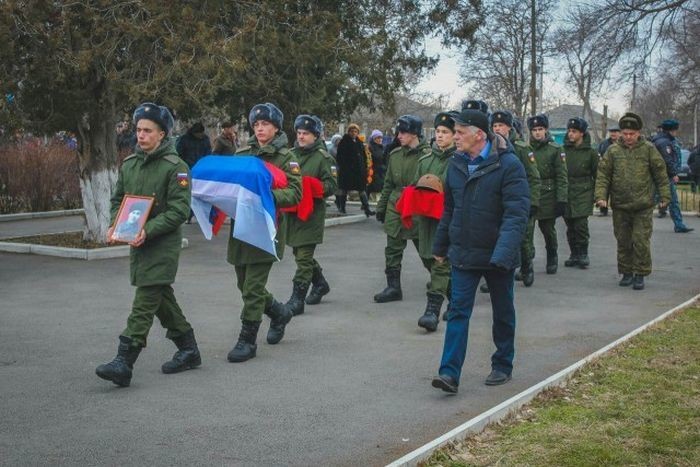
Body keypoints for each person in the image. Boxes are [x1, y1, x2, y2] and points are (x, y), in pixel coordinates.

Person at [96, 102, 200, 387]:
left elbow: (179, 211)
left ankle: (124, 361)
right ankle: (189, 350)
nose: (140, 136)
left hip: (161, 245)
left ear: (162, 134)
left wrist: (148, 229)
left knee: (144, 302)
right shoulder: (130, 164)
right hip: (137, 243)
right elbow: (119, 200)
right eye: (138, 130)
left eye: (147, 131)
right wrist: (115, 225)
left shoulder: (176, 168)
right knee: (161, 298)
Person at [431, 109, 530, 393]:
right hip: (464, 252)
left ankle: (502, 364)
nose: (455, 137)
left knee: (502, 310)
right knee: (458, 311)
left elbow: (516, 213)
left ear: (479, 135)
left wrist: (503, 253)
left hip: (499, 255)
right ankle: (449, 373)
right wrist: (440, 245)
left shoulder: (509, 165)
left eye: (460, 132)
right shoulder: (457, 164)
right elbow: (450, 209)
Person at [226, 103, 302, 363]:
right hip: (241, 229)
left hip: (267, 230)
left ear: (276, 127)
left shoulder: (286, 157)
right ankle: (279, 313)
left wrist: (265, 196)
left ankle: (247, 341)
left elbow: (295, 193)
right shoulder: (242, 154)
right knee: (243, 285)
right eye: (256, 125)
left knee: (253, 287)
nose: (260, 129)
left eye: (265, 124)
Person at [594, 112, 670, 290]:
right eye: (625, 133)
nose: (628, 137)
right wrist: (600, 196)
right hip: (620, 205)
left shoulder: (649, 149)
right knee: (623, 240)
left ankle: (640, 273)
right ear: (621, 133)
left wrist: (665, 197)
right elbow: (603, 175)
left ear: (638, 133)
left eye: (631, 134)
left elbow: (660, 174)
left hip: (642, 205)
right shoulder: (612, 151)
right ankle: (626, 272)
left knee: (641, 240)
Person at [374, 115, 432, 303]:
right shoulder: (395, 155)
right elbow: (388, 183)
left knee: (424, 248)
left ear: (414, 133)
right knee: (392, 248)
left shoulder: (428, 155)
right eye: (398, 132)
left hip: (417, 205)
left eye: (403, 132)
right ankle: (393, 287)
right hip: (395, 205)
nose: (399, 135)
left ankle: (442, 281)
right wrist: (381, 207)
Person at [283, 115, 337, 315]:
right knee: (299, 254)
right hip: (292, 213)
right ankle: (320, 283)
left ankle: (297, 300)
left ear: (315, 136)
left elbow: (332, 185)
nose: (301, 137)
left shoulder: (324, 158)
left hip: (311, 214)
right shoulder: (290, 155)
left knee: (304, 258)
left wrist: (312, 186)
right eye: (298, 133)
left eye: (306, 134)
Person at [412, 112, 456, 331]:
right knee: (428, 260)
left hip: (447, 221)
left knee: (440, 263)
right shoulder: (425, 160)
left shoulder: (459, 162)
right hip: (426, 222)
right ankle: (456, 300)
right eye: (438, 132)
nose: (440, 136)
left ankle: (432, 312)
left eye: (445, 132)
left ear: (454, 135)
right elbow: (414, 188)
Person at [490, 110, 540, 288]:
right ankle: (495, 275)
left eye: (501, 125)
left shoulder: (521, 148)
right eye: (494, 126)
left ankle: (527, 267)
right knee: (496, 238)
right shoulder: (489, 147)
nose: (497, 129)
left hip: (520, 201)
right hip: (497, 201)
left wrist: (532, 203)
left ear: (509, 128)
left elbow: (533, 177)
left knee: (523, 238)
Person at [527, 114, 568, 274]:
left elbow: (562, 176)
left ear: (546, 130)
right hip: (531, 193)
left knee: (548, 229)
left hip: (548, 194)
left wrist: (562, 199)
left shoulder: (555, 149)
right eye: (534, 130)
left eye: (540, 129)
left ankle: (552, 256)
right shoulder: (526, 149)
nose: (537, 133)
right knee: (527, 231)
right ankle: (527, 262)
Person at [562, 117, 598, 269]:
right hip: (567, 190)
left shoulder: (591, 152)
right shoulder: (563, 150)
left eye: (574, 131)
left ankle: (583, 253)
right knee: (570, 225)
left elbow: (597, 175)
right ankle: (574, 254)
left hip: (584, 190)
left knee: (580, 225)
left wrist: (597, 194)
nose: (571, 134)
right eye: (569, 131)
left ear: (582, 133)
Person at [651, 119, 693, 233]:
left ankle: (679, 225)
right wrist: (673, 173)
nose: (676, 132)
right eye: (675, 130)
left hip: (664, 176)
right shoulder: (664, 142)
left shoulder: (664, 140)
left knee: (672, 201)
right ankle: (637, 219)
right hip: (663, 177)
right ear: (670, 131)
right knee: (653, 200)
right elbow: (667, 160)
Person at [336, 123, 372, 216]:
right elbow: (339, 157)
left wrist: (364, 168)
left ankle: (366, 208)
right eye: (352, 131)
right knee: (343, 189)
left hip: (359, 172)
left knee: (362, 189)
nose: (354, 133)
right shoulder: (344, 142)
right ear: (348, 132)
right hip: (347, 171)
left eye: (356, 131)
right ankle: (342, 207)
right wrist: (344, 167)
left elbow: (363, 156)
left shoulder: (359, 142)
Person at [596, 126, 620, 216]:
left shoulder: (623, 143)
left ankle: (618, 210)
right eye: (611, 132)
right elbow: (598, 154)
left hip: (619, 171)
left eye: (615, 132)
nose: (613, 134)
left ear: (619, 133)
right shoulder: (604, 143)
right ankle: (603, 209)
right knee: (605, 190)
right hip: (606, 170)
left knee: (617, 192)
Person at [367, 129, 386, 199]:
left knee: (380, 187)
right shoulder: (370, 147)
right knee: (373, 187)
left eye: (381, 137)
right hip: (373, 171)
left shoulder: (382, 147)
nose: (380, 139)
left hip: (382, 171)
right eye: (378, 138)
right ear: (374, 139)